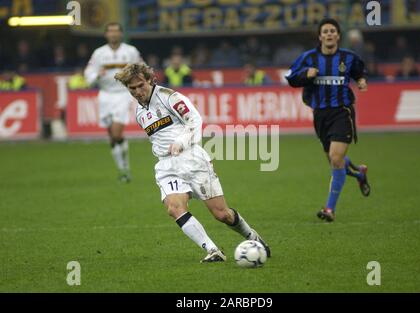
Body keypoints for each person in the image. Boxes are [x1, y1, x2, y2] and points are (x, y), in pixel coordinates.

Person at [114, 63, 271, 262]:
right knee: (174, 208)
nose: (137, 91)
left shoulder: (170, 97)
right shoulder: (139, 112)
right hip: (166, 165)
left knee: (222, 214)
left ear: (150, 80)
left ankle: (253, 237)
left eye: (140, 85)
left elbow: (194, 120)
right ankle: (213, 250)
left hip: (192, 159)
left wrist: (181, 141)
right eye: (132, 88)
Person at [285, 18, 371, 222]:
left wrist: (361, 81)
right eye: (325, 31)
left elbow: (359, 72)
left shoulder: (349, 57)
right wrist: (306, 74)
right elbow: (291, 78)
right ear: (320, 36)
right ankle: (359, 173)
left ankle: (329, 209)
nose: (329, 34)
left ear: (338, 35)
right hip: (320, 115)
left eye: (333, 31)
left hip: (342, 112)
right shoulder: (308, 58)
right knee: (334, 160)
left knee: (336, 158)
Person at [84, 22, 142, 183]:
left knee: (116, 133)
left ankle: (125, 169)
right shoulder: (99, 53)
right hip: (105, 95)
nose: (113, 34)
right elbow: (89, 72)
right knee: (112, 137)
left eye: (116, 31)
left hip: (123, 94)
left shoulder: (130, 52)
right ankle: (123, 170)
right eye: (110, 31)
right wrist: (96, 75)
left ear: (121, 34)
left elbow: (141, 69)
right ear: (106, 34)